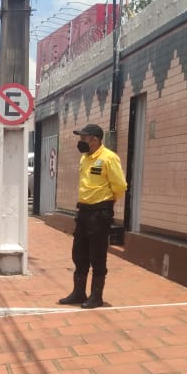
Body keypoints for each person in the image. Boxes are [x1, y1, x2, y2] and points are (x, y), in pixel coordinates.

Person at [57, 123, 127, 309]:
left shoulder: (109, 158)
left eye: (83, 138)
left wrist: (107, 204)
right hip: (84, 212)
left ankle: (96, 297)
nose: (80, 141)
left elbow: (120, 186)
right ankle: (79, 293)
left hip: (99, 213)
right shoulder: (85, 158)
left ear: (95, 139)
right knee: (79, 253)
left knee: (97, 255)